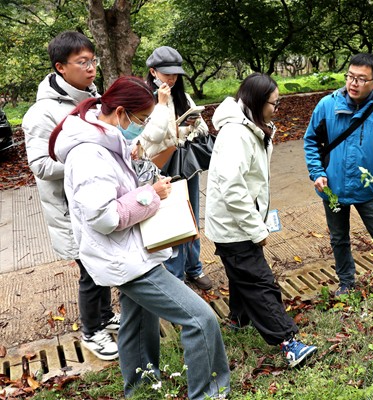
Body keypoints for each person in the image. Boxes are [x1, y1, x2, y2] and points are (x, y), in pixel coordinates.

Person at [48, 76, 230, 399]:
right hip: (123, 257)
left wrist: (147, 179)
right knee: (200, 320)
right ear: (120, 113)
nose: (141, 126)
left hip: (130, 248)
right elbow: (105, 216)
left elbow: (120, 189)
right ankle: (210, 393)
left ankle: (141, 388)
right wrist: (151, 195)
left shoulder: (106, 137)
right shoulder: (89, 155)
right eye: (141, 120)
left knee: (138, 321)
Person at [205, 73, 317, 368]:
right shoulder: (235, 134)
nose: (276, 109)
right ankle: (289, 342)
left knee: (241, 273)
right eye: (274, 104)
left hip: (241, 221)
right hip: (235, 226)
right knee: (260, 281)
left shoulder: (251, 126)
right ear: (256, 101)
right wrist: (257, 229)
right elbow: (233, 188)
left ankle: (239, 319)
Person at [22, 31, 119, 361]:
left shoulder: (93, 98)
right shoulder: (42, 114)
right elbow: (40, 165)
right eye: (83, 62)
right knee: (90, 271)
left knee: (101, 262)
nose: (92, 68)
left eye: (93, 61)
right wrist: (88, 157)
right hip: (70, 209)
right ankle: (92, 331)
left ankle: (104, 318)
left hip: (97, 198)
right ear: (61, 67)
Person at [304, 53, 373, 296]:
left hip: (367, 189)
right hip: (332, 189)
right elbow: (311, 141)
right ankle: (346, 282)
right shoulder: (327, 106)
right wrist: (317, 172)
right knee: (339, 239)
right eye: (350, 77)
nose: (353, 83)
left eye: (361, 79)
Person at [137, 46, 213, 290]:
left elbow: (203, 129)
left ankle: (195, 268)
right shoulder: (144, 98)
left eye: (175, 73)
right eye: (166, 73)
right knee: (172, 221)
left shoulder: (183, 96)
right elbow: (146, 138)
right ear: (153, 71)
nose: (171, 78)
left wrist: (189, 125)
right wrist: (165, 114)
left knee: (191, 217)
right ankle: (175, 275)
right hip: (159, 167)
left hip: (185, 164)